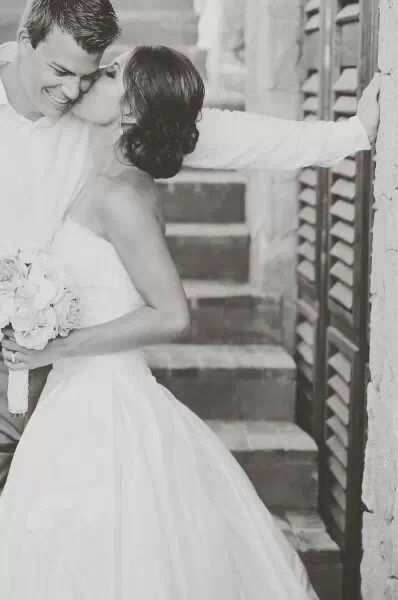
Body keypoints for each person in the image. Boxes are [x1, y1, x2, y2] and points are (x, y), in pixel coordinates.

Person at [0, 0, 379, 494]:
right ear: (24, 43)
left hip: (59, 372)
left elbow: (231, 135)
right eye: (59, 72)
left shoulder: (98, 111)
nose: (73, 90)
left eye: (89, 74)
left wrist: (350, 133)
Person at [0, 45, 321, 600]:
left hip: (102, 404)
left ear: (129, 109)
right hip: (74, 395)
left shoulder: (122, 195)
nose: (89, 81)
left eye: (109, 74)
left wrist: (58, 347)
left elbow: (173, 314)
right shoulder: (108, 174)